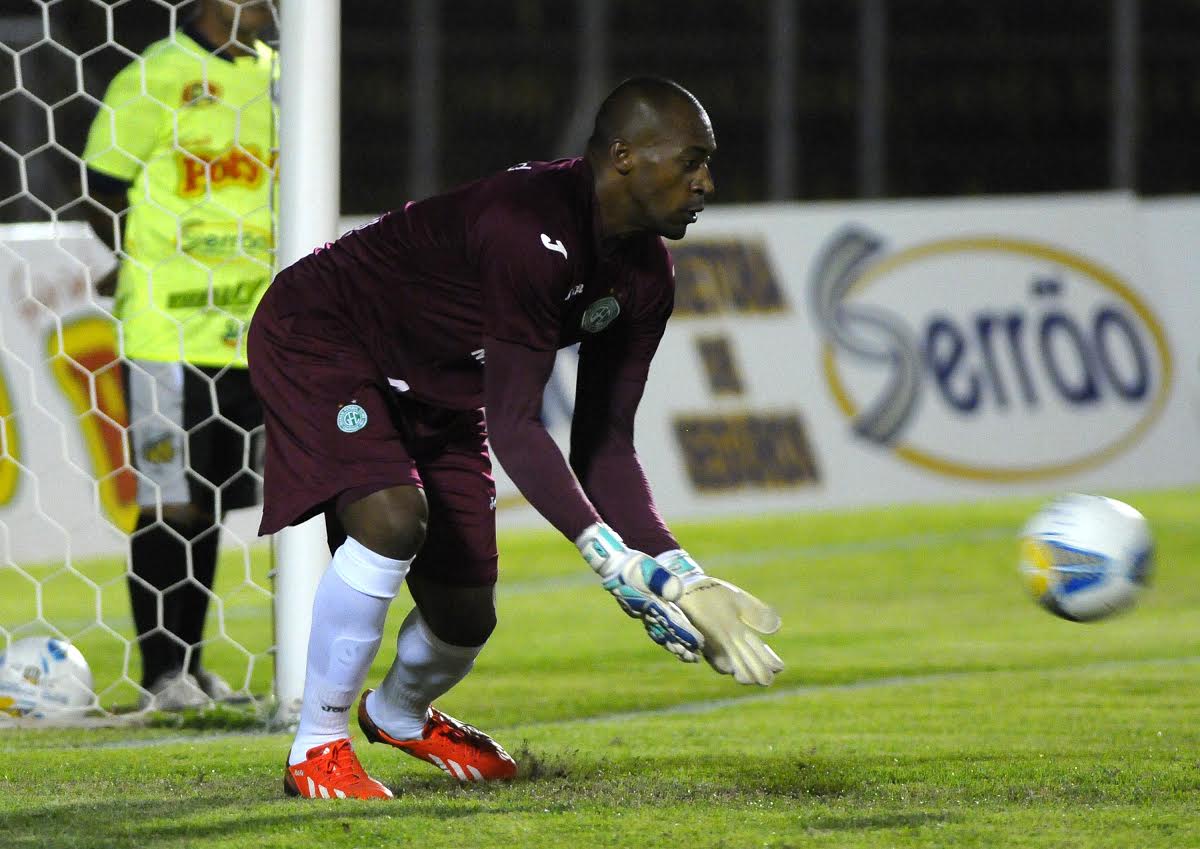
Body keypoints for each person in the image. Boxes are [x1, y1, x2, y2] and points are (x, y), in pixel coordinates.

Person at [248, 77, 784, 800]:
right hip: (326, 336)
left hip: (438, 383)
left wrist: (681, 572)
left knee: (466, 614)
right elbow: (516, 425)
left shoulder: (647, 275)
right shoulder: (527, 227)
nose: (705, 182)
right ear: (623, 155)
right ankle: (316, 745)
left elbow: (604, 448)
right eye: (690, 160)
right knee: (391, 517)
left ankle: (399, 714)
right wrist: (610, 560)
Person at [82, 0, 277, 710]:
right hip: (169, 330)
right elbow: (100, 189)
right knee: (172, 504)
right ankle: (161, 670)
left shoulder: (281, 79)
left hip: (255, 328)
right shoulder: (155, 76)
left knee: (217, 505)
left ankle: (193, 667)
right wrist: (139, 256)